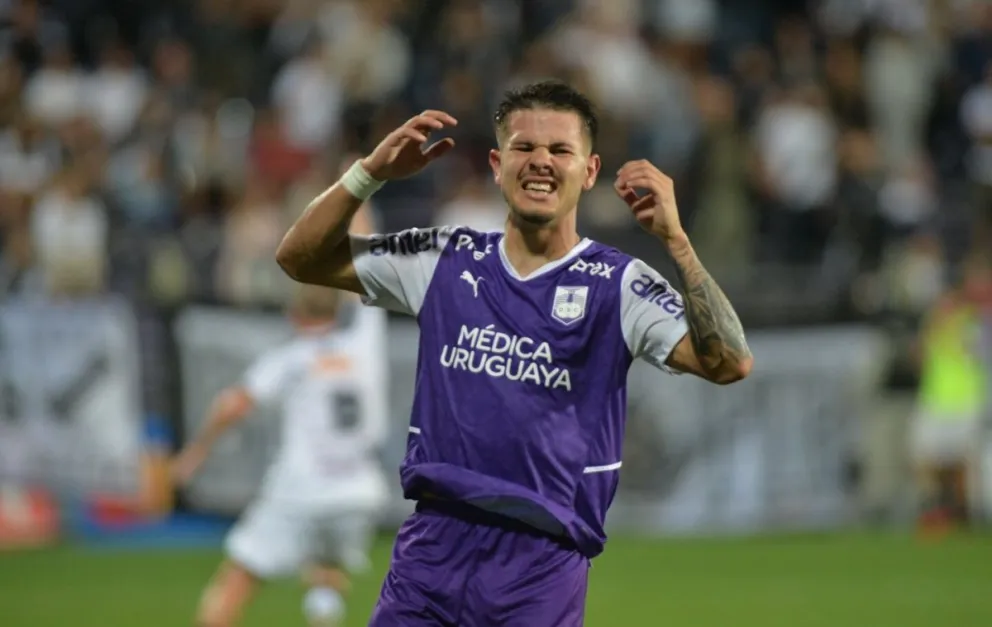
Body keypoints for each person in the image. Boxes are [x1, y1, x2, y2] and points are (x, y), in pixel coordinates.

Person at [276, 80, 753, 626]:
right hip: (429, 554)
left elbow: (729, 362)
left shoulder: (619, 284)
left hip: (539, 570)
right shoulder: (444, 259)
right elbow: (299, 259)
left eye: (560, 150)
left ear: (590, 171)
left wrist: (678, 243)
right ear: (497, 164)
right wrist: (370, 174)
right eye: (525, 148)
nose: (541, 162)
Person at [172, 207, 390, 627]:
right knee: (326, 571)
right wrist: (362, 203)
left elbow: (231, 404)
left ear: (294, 314)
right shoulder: (365, 338)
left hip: (301, 489)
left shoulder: (291, 358)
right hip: (359, 492)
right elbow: (369, 264)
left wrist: (193, 455)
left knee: (236, 579)